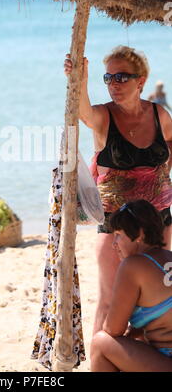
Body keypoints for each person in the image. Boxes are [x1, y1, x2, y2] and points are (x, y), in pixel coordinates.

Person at [64, 45, 172, 335]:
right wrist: (80, 80)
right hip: (115, 225)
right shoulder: (103, 117)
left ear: (141, 82)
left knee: (154, 297)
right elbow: (82, 113)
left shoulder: (159, 114)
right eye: (108, 78)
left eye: (122, 77)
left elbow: (171, 141)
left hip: (158, 220)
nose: (114, 84)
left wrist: (161, 175)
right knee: (111, 302)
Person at [91, 200, 172, 372]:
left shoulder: (133, 265)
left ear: (140, 234)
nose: (114, 244)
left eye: (118, 234)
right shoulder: (169, 257)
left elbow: (113, 329)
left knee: (100, 343)